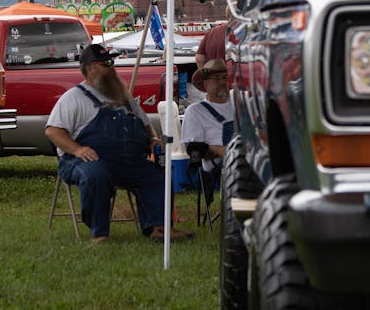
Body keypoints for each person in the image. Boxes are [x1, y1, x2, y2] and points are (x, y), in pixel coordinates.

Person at [45, 44, 193, 243]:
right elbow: (53, 131)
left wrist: (152, 139)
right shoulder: (73, 98)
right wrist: (78, 149)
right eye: (106, 63)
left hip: (127, 162)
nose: (111, 67)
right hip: (83, 161)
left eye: (112, 62)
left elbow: (144, 123)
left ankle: (159, 228)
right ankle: (99, 233)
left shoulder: (123, 97)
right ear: (90, 69)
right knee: (96, 174)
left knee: (160, 175)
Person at [180, 58, 233, 204]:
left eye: (225, 77)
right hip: (218, 165)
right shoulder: (195, 111)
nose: (222, 82)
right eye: (216, 78)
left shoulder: (239, 102)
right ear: (205, 83)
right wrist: (217, 149)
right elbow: (193, 149)